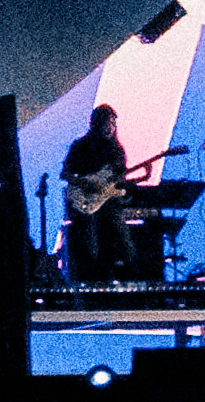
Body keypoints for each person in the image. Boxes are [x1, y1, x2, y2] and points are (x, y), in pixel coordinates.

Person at [58, 104, 153, 283]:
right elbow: (64, 173)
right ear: (95, 124)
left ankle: (127, 285)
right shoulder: (80, 146)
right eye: (106, 123)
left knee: (126, 246)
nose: (109, 128)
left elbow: (119, 182)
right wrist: (83, 182)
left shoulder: (116, 150)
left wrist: (142, 177)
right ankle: (93, 284)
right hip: (87, 205)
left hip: (109, 204)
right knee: (91, 246)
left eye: (112, 124)